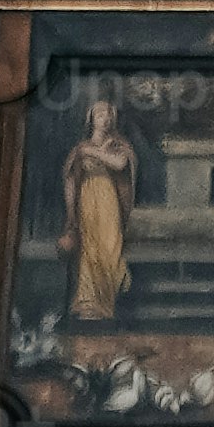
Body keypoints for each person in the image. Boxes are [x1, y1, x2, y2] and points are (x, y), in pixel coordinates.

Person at [60, 98, 136, 330]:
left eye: (108, 115)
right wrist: (71, 215)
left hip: (108, 198)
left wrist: (95, 152)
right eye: (100, 115)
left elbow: (120, 165)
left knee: (110, 246)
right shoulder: (79, 148)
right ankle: (87, 304)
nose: (105, 119)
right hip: (88, 197)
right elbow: (71, 179)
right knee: (90, 247)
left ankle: (107, 302)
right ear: (91, 119)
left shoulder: (117, 145)